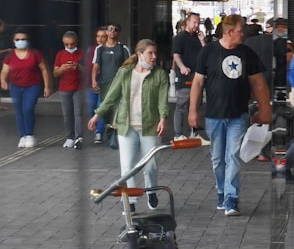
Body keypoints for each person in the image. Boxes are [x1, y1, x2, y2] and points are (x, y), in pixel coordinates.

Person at [189, 14, 272, 217]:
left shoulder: (247, 53)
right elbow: (198, 83)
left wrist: (265, 108)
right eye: (240, 30)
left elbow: (258, 82)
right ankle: (221, 191)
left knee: (233, 155)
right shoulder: (207, 52)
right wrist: (193, 110)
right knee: (218, 158)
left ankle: (231, 198)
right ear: (228, 32)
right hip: (214, 116)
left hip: (238, 115)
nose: (242, 34)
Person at [88, 39, 170, 210]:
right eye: (150, 53)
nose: (154, 56)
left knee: (151, 164)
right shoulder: (125, 72)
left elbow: (163, 100)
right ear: (140, 54)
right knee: (127, 166)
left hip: (150, 126)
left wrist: (163, 118)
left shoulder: (160, 74)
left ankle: (151, 191)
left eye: (155, 53)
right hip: (126, 126)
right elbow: (111, 96)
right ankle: (131, 202)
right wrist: (97, 115)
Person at [0, 29, 52, 149]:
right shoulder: (9, 55)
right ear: (13, 41)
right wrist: (3, 80)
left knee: (27, 109)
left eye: (23, 39)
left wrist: (47, 86)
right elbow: (4, 70)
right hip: (16, 87)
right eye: (18, 39)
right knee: (19, 111)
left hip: (32, 86)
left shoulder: (35, 54)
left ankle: (29, 135)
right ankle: (22, 136)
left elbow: (44, 70)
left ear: (28, 41)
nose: (20, 41)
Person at [91, 23, 130, 144]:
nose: (112, 31)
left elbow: (129, 66)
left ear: (118, 33)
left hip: (120, 84)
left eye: (115, 30)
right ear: (106, 32)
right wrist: (93, 80)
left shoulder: (123, 48)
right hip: (105, 83)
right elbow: (95, 66)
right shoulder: (100, 49)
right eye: (110, 29)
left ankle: (118, 134)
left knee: (119, 108)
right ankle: (107, 132)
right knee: (105, 108)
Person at [172, 11, 204, 140]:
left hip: (197, 78)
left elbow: (205, 53)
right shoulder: (180, 37)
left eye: (198, 23)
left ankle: (194, 133)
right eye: (194, 22)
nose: (196, 25)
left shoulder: (197, 38)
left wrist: (202, 41)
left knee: (196, 105)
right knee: (182, 105)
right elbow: (176, 55)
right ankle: (178, 134)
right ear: (187, 22)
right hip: (185, 78)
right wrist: (182, 67)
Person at [53, 31, 85, 149]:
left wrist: (78, 67)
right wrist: (63, 68)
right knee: (67, 114)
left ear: (77, 42)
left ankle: (79, 137)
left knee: (78, 113)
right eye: (67, 44)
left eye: (72, 44)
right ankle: (69, 137)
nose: (70, 47)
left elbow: (88, 70)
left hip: (79, 88)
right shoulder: (60, 55)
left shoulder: (82, 53)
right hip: (64, 88)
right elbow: (55, 73)